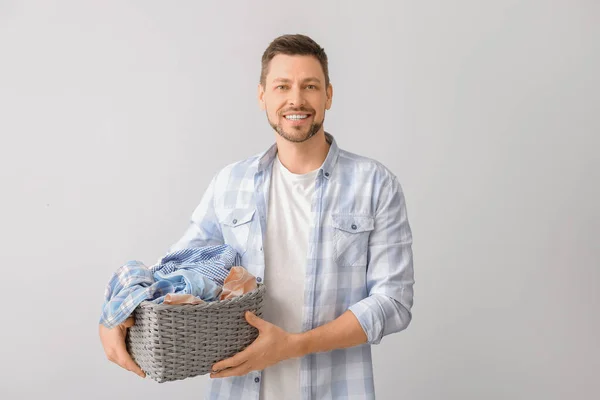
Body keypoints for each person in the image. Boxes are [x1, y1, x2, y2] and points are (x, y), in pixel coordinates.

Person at [99, 33, 415, 400]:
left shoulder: (376, 185)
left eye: (309, 86)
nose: (296, 99)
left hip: (336, 389)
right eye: (282, 86)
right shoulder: (229, 183)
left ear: (328, 94)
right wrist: (115, 313)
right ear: (262, 95)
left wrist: (293, 346)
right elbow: (175, 270)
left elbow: (393, 302)